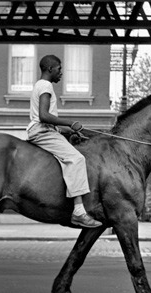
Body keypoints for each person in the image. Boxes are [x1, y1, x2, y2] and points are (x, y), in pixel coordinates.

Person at [27, 55, 102, 228]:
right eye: (59, 69)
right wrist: (70, 123)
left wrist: (68, 131)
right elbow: (44, 116)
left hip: (44, 130)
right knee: (76, 159)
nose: (62, 73)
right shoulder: (45, 85)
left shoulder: (40, 85)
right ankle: (78, 211)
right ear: (50, 69)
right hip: (42, 131)